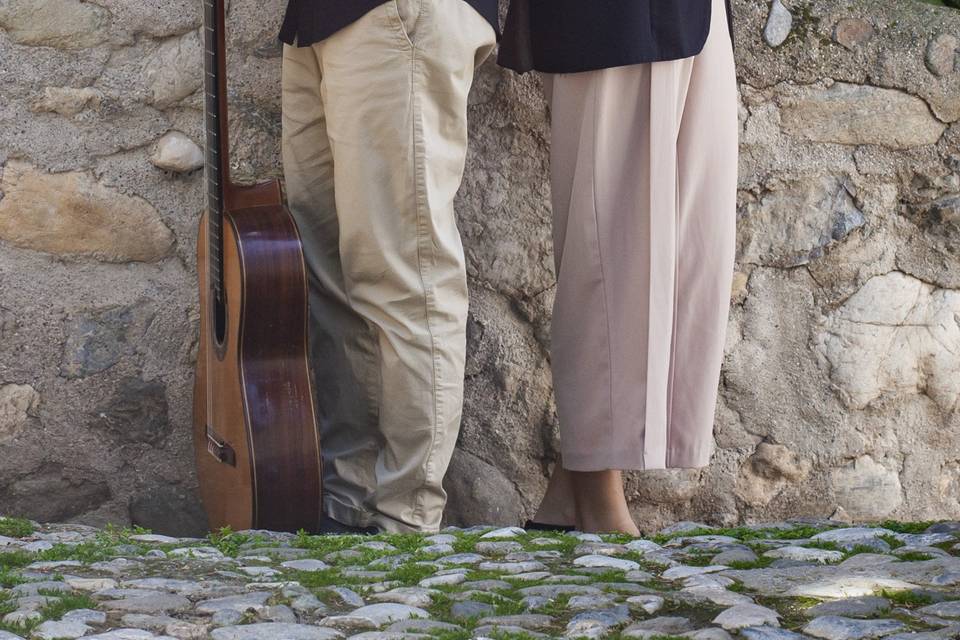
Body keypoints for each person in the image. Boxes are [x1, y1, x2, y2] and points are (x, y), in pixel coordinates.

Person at [500, 0, 739, 535]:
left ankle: (569, 491)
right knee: (607, 249)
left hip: (697, 16)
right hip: (611, 17)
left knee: (693, 248)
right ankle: (596, 496)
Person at [278, 0, 497, 534]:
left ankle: (405, 519)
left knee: (406, 275)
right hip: (320, 19)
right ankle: (349, 505)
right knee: (328, 276)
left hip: (397, 14)